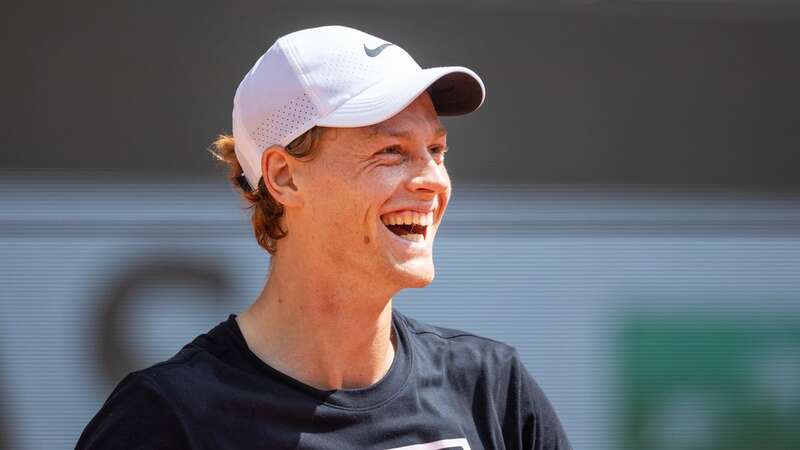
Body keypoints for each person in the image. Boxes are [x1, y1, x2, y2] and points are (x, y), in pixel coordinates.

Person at [76, 25, 572, 450]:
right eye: (392, 151)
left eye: (436, 150)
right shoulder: (165, 420)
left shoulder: (491, 388)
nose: (433, 180)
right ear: (285, 177)